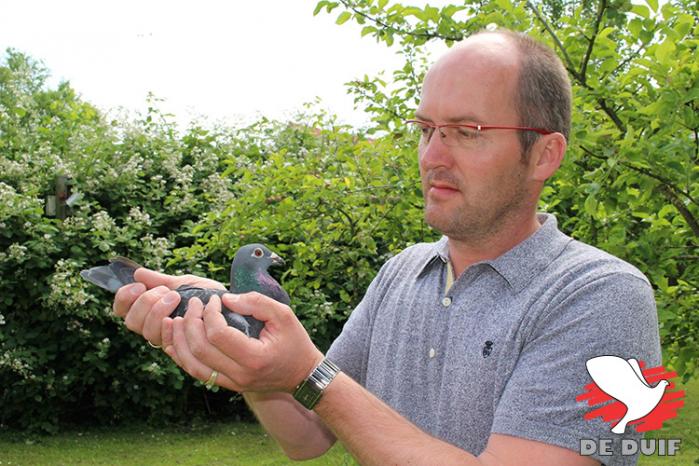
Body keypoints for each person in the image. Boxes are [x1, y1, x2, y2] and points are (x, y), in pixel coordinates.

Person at [113, 29, 661, 466]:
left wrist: (308, 373)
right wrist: (243, 341)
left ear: (544, 155)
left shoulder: (601, 297)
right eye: (426, 128)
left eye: (467, 130)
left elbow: (316, 386)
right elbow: (307, 434)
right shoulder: (403, 272)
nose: (432, 155)